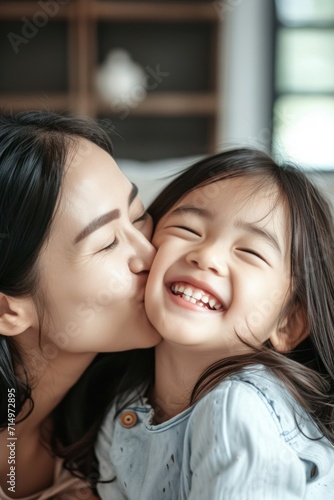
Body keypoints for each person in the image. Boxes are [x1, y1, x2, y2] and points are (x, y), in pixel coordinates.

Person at [96, 148, 334, 499]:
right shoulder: (124, 405)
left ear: (288, 323)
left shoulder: (238, 408)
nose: (206, 256)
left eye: (250, 252)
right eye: (187, 228)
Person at [0, 111, 161, 499]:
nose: (149, 254)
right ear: (7, 310)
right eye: (107, 243)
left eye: (138, 217)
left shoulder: (122, 407)